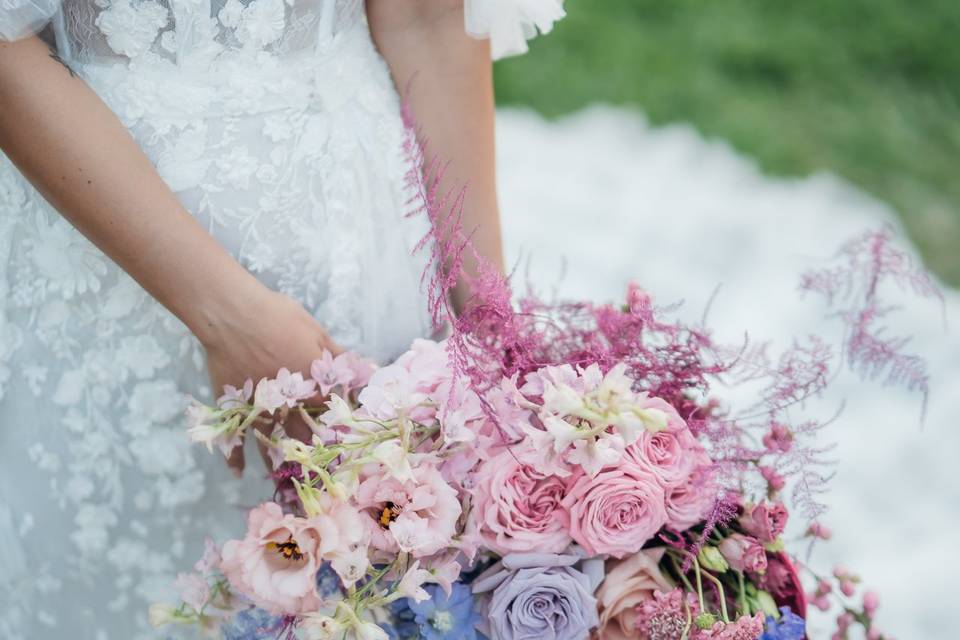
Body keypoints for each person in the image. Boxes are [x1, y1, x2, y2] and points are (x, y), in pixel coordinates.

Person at [0, 0, 564, 637]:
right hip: (102, 248)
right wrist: (228, 317)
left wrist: (488, 331)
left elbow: (427, 17)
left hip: (362, 235)